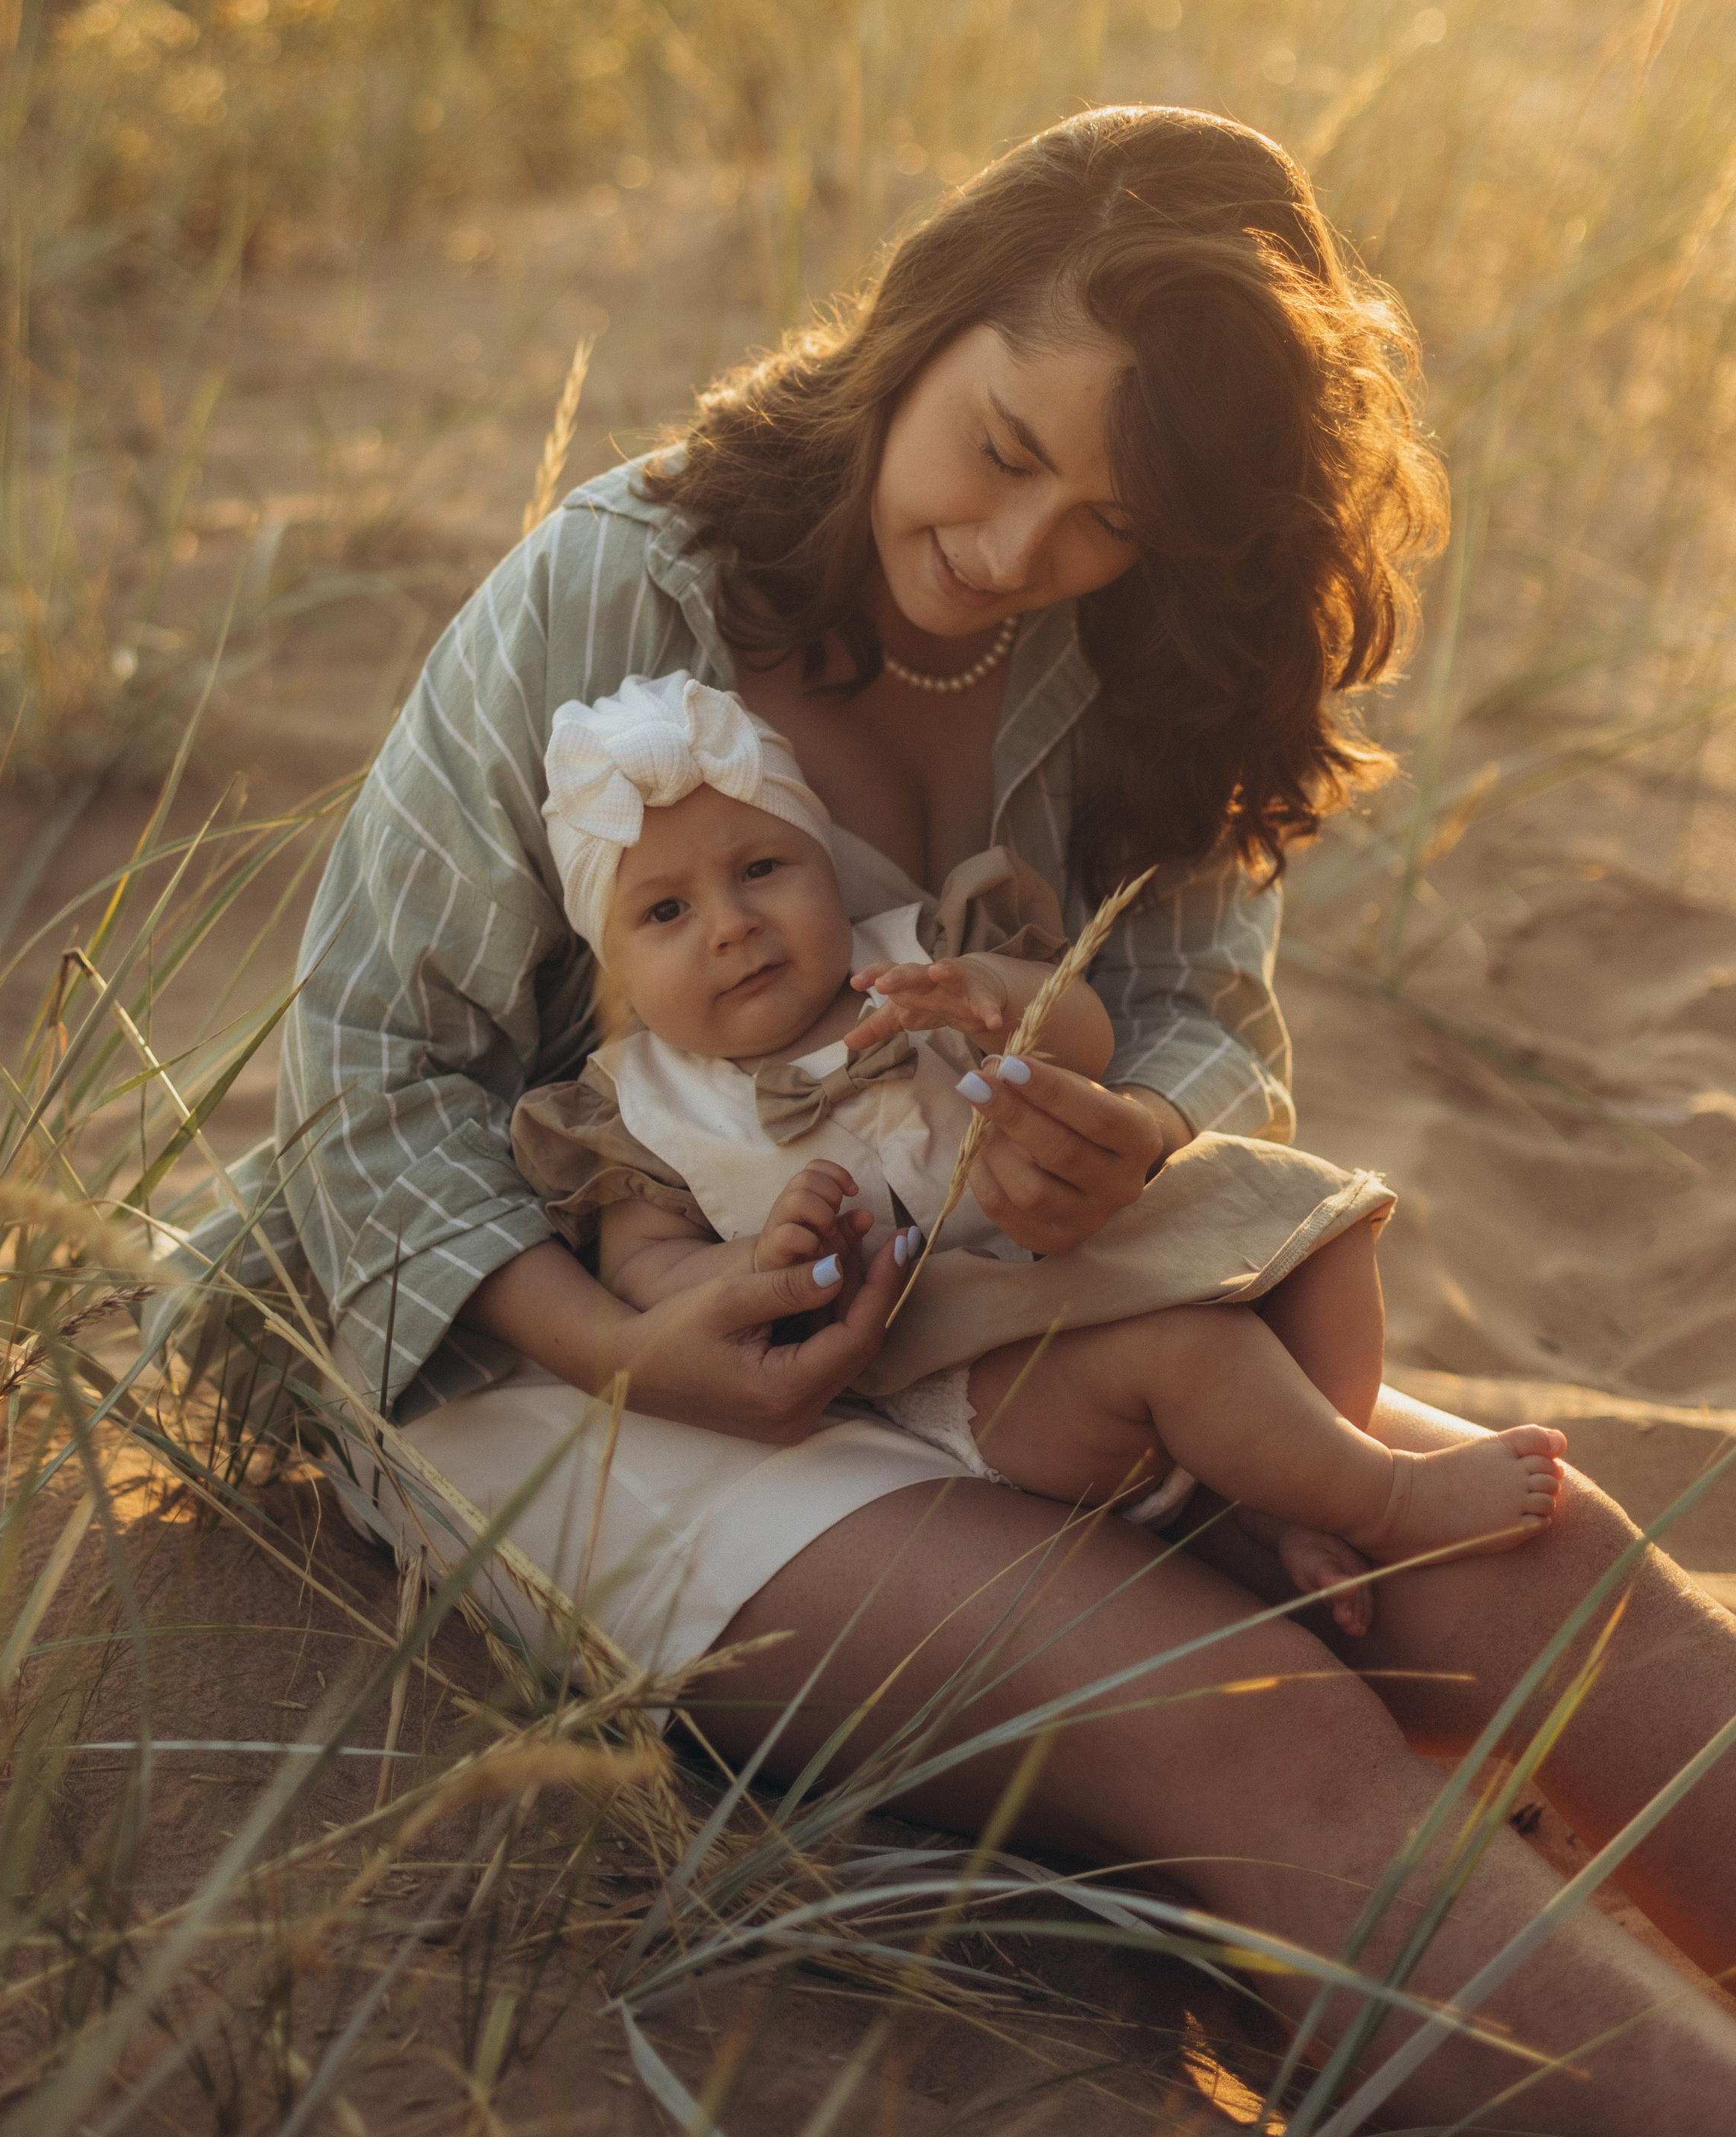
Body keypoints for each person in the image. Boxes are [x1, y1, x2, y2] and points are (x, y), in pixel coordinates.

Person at [250, 106, 1736, 2137]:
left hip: (998, 1302)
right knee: (1243, 1719)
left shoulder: (1151, 643)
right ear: (926, 318)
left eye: (1108, 518)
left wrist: (1134, 1129)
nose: (1023, 545)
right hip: (577, 1352)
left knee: (1539, 1562)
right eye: (1004, 448)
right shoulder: (617, 579)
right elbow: (363, 1077)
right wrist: (636, 1344)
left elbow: (1206, 1013)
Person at [513, 668, 1564, 1620]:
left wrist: (997, 997)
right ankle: (1387, 1499)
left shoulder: (921, 952)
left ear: (824, 863)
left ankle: (1304, 1491)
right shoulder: (638, 1108)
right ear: (611, 967)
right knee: (1192, 1352)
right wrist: (755, 1261)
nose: (731, 924)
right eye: (665, 911)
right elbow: (641, 1270)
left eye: (760, 867)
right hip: (961, 1362)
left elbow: (1087, 1043)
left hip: (1087, 1248)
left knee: (1319, 1226)